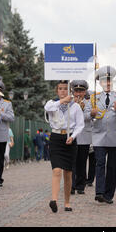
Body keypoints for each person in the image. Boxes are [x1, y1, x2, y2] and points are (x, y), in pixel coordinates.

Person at [85, 65, 116, 204]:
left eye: (109, 81)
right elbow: (84, 116)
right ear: (100, 83)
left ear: (112, 82)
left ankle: (109, 195)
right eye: (104, 81)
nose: (107, 83)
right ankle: (99, 192)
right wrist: (90, 114)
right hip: (99, 136)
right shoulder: (93, 98)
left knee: (112, 167)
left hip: (115, 138)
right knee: (100, 163)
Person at [44, 80, 84, 212]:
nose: (62, 91)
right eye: (60, 89)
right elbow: (47, 109)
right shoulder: (52, 103)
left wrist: (73, 136)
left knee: (68, 173)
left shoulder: (75, 107)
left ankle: (67, 202)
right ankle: (54, 200)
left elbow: (80, 125)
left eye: (65, 89)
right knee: (56, 170)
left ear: (69, 91)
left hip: (69, 139)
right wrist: (62, 101)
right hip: (55, 138)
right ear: (57, 91)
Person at [0, 79, 15, 187]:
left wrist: (0, 114)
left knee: (0, 159)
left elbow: (12, 117)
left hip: (1, 135)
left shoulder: (7, 104)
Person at [70, 80, 92, 195]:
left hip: (84, 135)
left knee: (82, 162)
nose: (78, 93)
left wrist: (83, 114)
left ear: (85, 92)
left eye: (81, 91)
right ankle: (71, 186)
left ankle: (80, 186)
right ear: (73, 91)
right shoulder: (69, 102)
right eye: (76, 91)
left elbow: (90, 116)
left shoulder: (89, 103)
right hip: (72, 136)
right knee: (71, 162)